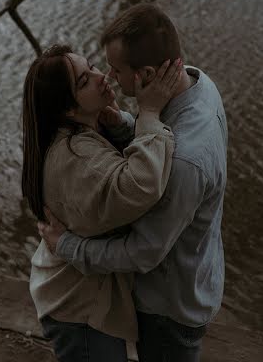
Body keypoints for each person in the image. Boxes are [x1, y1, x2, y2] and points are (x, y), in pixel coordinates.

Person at [39, 4, 228, 362]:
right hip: (199, 272)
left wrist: (66, 246)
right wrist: (127, 124)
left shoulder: (185, 160)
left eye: (116, 69)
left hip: (169, 306)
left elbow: (143, 252)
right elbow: (161, 140)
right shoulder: (199, 84)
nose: (108, 76)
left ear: (147, 75)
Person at [22, 43, 182, 362]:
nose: (100, 76)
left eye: (92, 67)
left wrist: (120, 125)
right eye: (84, 81)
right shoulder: (75, 158)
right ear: (67, 109)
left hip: (77, 294)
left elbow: (115, 169)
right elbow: (140, 185)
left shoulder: (74, 135)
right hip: (78, 310)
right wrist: (149, 114)